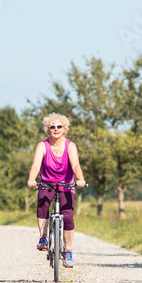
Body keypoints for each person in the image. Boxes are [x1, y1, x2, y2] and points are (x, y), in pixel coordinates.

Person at [27, 112, 86, 268]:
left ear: (64, 128)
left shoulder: (70, 146)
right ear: (48, 129)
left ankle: (68, 251)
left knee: (67, 217)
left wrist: (80, 179)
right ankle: (43, 238)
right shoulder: (43, 146)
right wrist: (32, 179)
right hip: (47, 183)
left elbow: (75, 165)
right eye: (52, 126)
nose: (55, 129)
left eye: (59, 126)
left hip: (66, 184)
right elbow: (35, 165)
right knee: (42, 205)